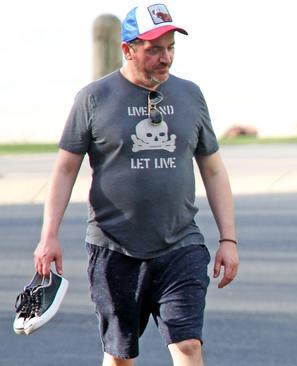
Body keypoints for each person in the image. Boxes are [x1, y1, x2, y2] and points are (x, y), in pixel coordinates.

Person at [32, 3, 239, 365]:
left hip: (180, 245)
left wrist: (228, 238)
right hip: (114, 250)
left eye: (171, 47)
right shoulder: (94, 98)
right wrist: (49, 235)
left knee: (188, 344)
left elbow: (214, 170)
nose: (166, 58)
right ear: (127, 49)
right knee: (119, 357)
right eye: (154, 49)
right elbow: (65, 169)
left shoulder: (191, 95)